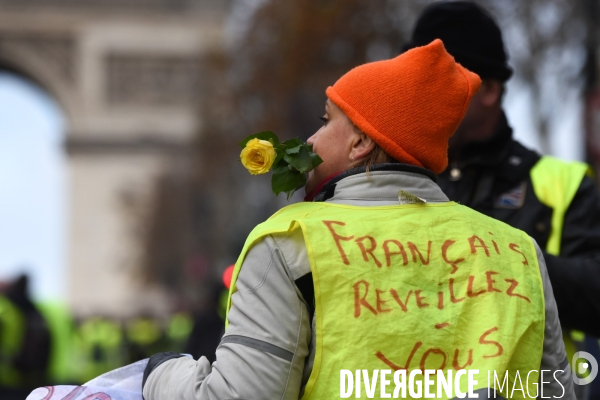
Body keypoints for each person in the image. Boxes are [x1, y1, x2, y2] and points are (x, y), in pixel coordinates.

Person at [142, 40, 574, 399]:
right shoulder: (519, 253)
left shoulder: (290, 244)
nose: (311, 139)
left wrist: (160, 374)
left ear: (362, 142)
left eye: (326, 121)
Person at [402, 2, 600, 387]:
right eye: (412, 78)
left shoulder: (564, 183)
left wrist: (499, 258)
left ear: (489, 89)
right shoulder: (389, 181)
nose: (416, 94)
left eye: (435, 78)